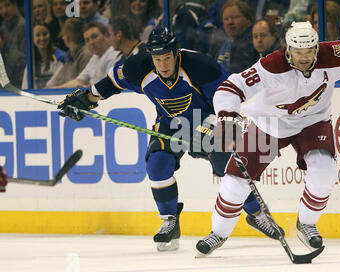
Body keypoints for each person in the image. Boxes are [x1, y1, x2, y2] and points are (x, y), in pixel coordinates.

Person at [195, 21, 340, 257]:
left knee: (325, 172)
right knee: (235, 182)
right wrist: (228, 117)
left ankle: (306, 223)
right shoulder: (271, 66)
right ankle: (218, 233)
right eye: (298, 52)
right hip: (268, 123)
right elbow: (230, 88)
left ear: (316, 47)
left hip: (313, 120)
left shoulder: (333, 56)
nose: (304, 58)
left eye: (309, 52)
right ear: (288, 49)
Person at [56, 28, 284, 252]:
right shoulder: (138, 67)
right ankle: (169, 221)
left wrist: (222, 128)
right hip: (170, 123)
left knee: (227, 164)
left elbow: (228, 96)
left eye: (167, 58)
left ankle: (256, 214)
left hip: (206, 118)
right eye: (158, 59)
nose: (163, 65)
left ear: (176, 54)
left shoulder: (202, 67)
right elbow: (110, 84)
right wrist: (85, 99)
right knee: (157, 164)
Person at [55, 22, 119, 88]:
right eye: (87, 40)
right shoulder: (94, 57)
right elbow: (78, 81)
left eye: (94, 37)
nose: (91, 42)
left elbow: (109, 85)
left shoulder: (114, 55)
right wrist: (54, 89)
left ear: (106, 36)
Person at [46, 18, 92, 87]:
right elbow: (56, 81)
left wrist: (56, 88)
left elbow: (81, 84)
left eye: (63, 36)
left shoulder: (86, 55)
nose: (63, 38)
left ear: (67, 38)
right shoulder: (70, 55)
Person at [216, 0, 259, 74]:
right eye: (226, 19)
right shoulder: (224, 42)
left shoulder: (252, 43)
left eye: (235, 17)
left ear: (248, 20)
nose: (230, 22)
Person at [22, 23, 65, 89]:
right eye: (38, 35)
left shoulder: (61, 57)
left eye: (45, 34)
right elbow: (25, 89)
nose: (42, 38)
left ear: (50, 35)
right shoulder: (31, 62)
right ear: (32, 38)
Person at [0, 0, 26, 87]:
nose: (4, 11)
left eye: (7, 5)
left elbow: (24, 58)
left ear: (15, 5)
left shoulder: (23, 26)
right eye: (0, 8)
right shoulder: (3, 29)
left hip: (20, 79)